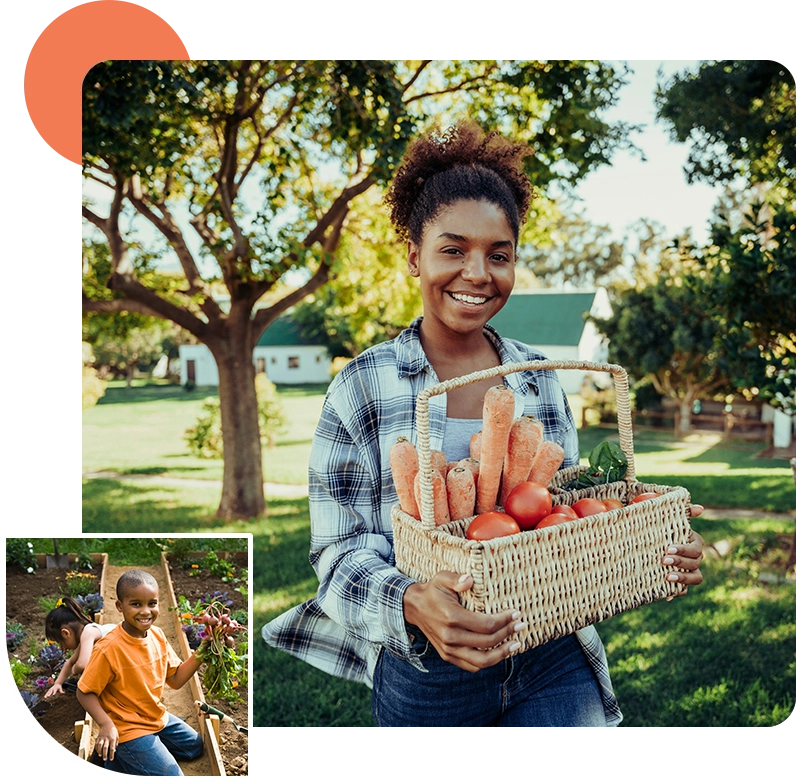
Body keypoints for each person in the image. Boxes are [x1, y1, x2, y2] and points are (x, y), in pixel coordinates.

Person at [262, 121, 704, 728]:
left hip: (552, 650)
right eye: (453, 249)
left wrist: (653, 539)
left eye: (499, 255)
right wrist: (412, 601)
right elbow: (337, 549)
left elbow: (568, 508)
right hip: (428, 671)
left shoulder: (538, 375)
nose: (478, 273)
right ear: (414, 256)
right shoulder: (363, 384)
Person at [76, 569, 205, 775]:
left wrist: (205, 649)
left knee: (195, 747)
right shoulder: (109, 649)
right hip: (125, 727)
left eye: (151, 603)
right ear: (120, 606)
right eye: (136, 604)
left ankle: (121, 757)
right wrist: (106, 724)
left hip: (153, 716)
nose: (145, 611)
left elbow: (175, 679)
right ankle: (118, 755)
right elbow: (83, 691)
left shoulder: (157, 634)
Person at [43, 597, 116, 699]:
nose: (63, 647)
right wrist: (58, 683)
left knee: (83, 694)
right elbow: (70, 662)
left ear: (65, 633)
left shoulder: (88, 632)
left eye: (60, 642)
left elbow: (82, 664)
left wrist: (74, 670)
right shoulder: (86, 636)